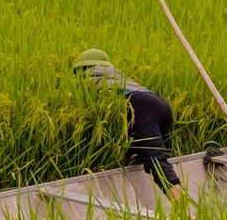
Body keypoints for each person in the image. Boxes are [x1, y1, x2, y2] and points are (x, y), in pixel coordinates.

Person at [72, 48, 182, 201]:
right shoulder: (116, 74)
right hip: (159, 104)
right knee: (156, 155)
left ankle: (184, 211)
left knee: (154, 161)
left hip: (137, 106)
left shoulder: (86, 79)